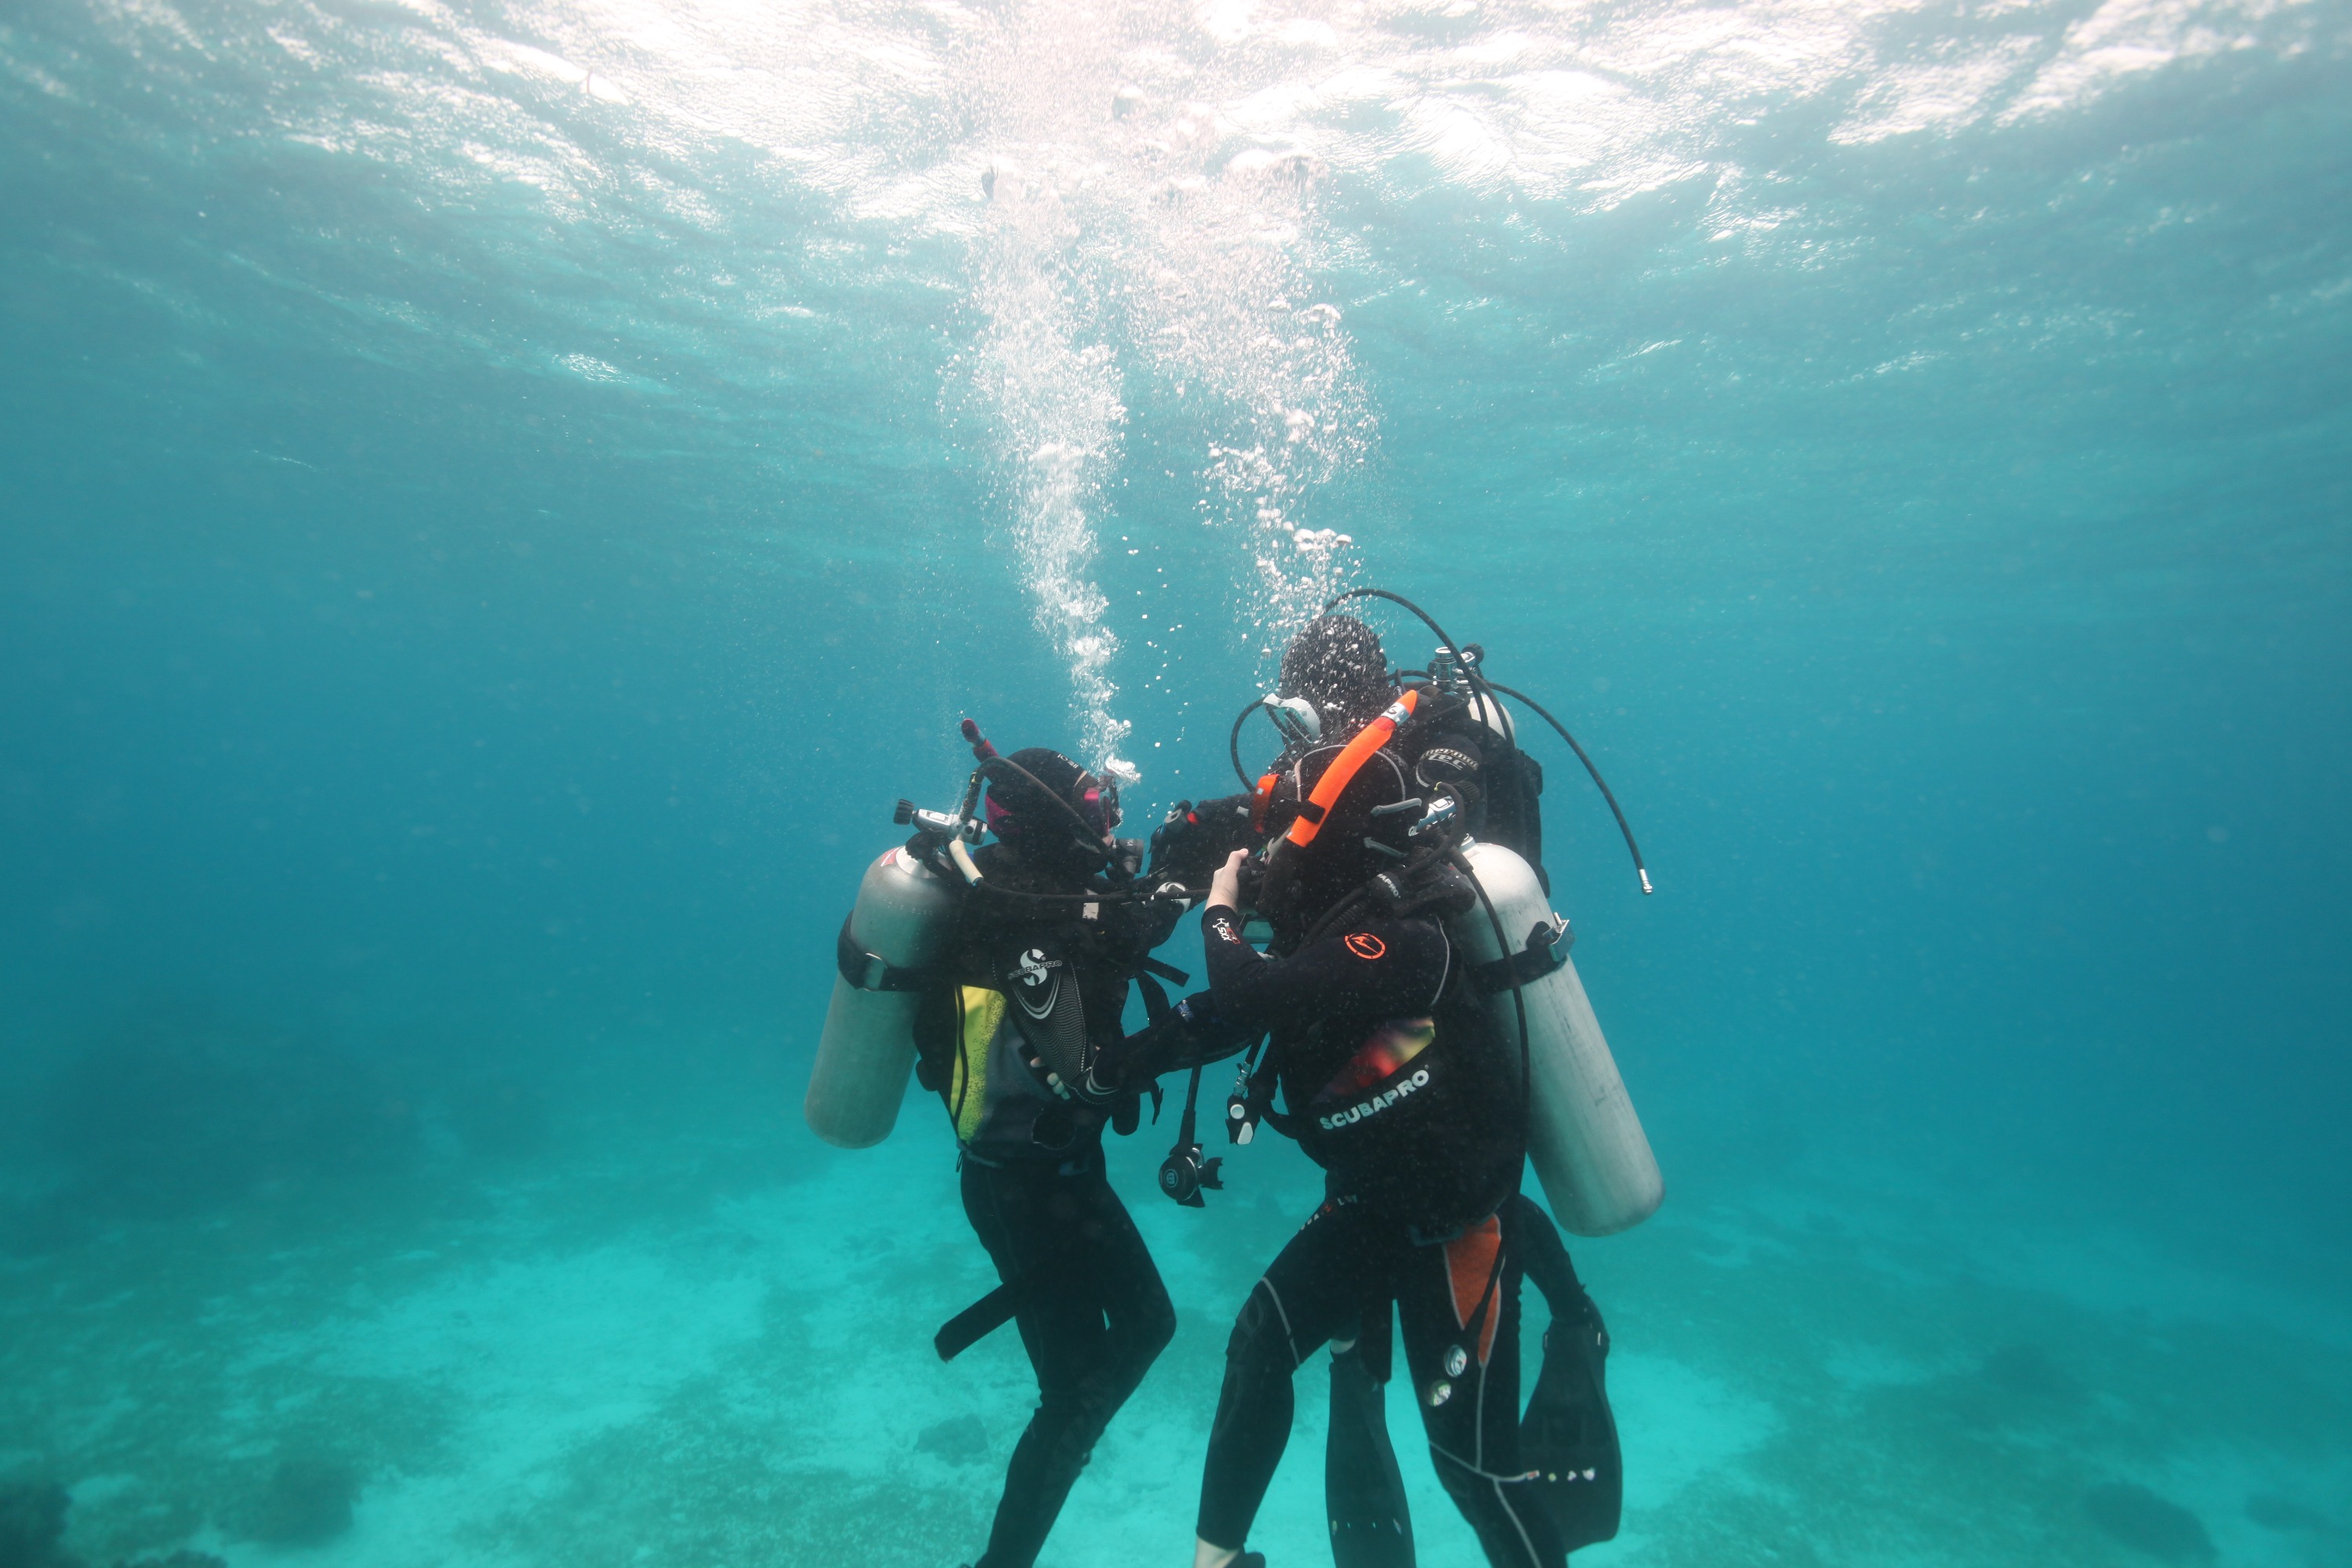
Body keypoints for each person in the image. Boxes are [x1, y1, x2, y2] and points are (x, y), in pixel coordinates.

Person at [1175, 719, 1570, 1568]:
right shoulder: (1337, 931)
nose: (1273, 848)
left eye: (1289, 829)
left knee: (1472, 1465)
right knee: (1258, 1343)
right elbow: (1238, 1011)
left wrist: (1218, 908)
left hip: (1453, 1218)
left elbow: (1248, 997)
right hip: (1372, 1202)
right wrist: (1114, 1068)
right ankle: (1216, 1561)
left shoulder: (1402, 935)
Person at [908, 742, 1196, 1568]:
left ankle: (1062, 1445)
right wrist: (1207, 1020)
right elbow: (1091, 1077)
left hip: (1060, 1171)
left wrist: (1148, 888)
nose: (1109, 821)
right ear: (1054, 821)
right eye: (1095, 807)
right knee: (1072, 1390)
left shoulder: (1046, 894)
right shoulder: (1020, 911)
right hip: (1022, 1187)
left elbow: (1107, 935)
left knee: (1147, 1323)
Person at [1152, 613, 1550, 897]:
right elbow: (1275, 808)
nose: (1296, 724)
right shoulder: (1320, 751)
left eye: (1300, 699)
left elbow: (1432, 827)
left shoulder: (1429, 731)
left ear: (1332, 694)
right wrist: (1200, 827)